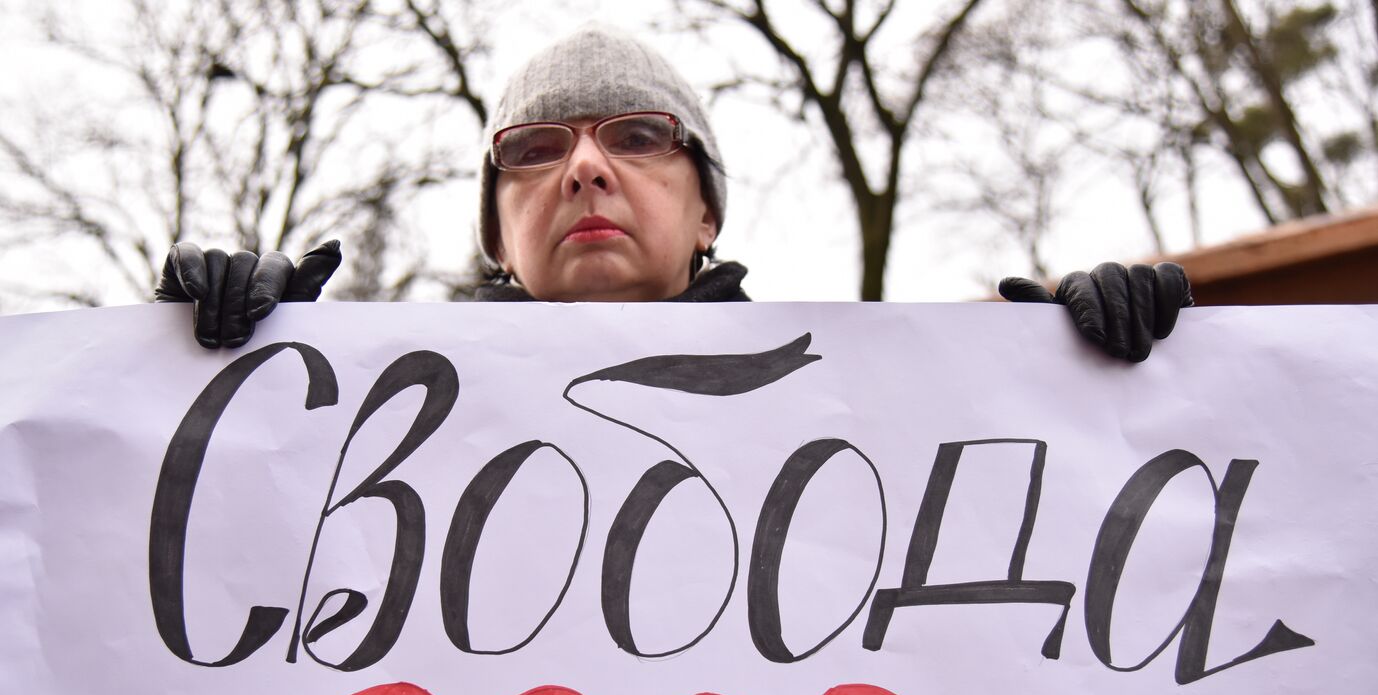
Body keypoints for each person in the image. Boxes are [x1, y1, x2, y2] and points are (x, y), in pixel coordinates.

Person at [155, 24, 1191, 362]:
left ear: (707, 212)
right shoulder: (371, 424)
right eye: (535, 148)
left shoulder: (866, 406)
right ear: (497, 238)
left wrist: (1093, 392)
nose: (585, 168)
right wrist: (207, 377)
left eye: (640, 136)